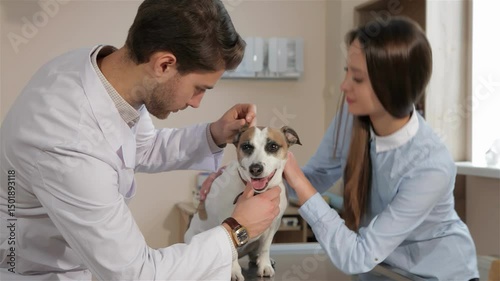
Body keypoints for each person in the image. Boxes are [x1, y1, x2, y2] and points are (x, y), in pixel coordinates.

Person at [0, 0, 281, 280]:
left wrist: (214, 133)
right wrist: (236, 230)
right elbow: (137, 274)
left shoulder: (103, 77)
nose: (197, 102)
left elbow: (143, 148)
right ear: (164, 65)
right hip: (38, 272)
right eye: (199, 88)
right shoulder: (68, 141)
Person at [282, 17, 479, 280]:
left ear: (392, 87)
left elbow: (358, 256)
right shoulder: (349, 118)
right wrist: (252, 175)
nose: (344, 86)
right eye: (346, 71)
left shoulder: (431, 166)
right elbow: (313, 179)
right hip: (381, 271)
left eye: (358, 78)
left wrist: (297, 178)